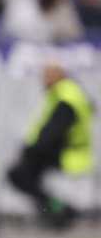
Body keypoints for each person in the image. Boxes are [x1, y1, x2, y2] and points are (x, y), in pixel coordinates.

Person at [7, 64, 94, 229]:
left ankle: (60, 210)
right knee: (25, 173)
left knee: (19, 174)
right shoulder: (68, 93)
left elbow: (54, 132)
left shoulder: (66, 99)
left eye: (46, 76)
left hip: (70, 155)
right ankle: (55, 209)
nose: (43, 81)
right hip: (66, 153)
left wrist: (31, 150)